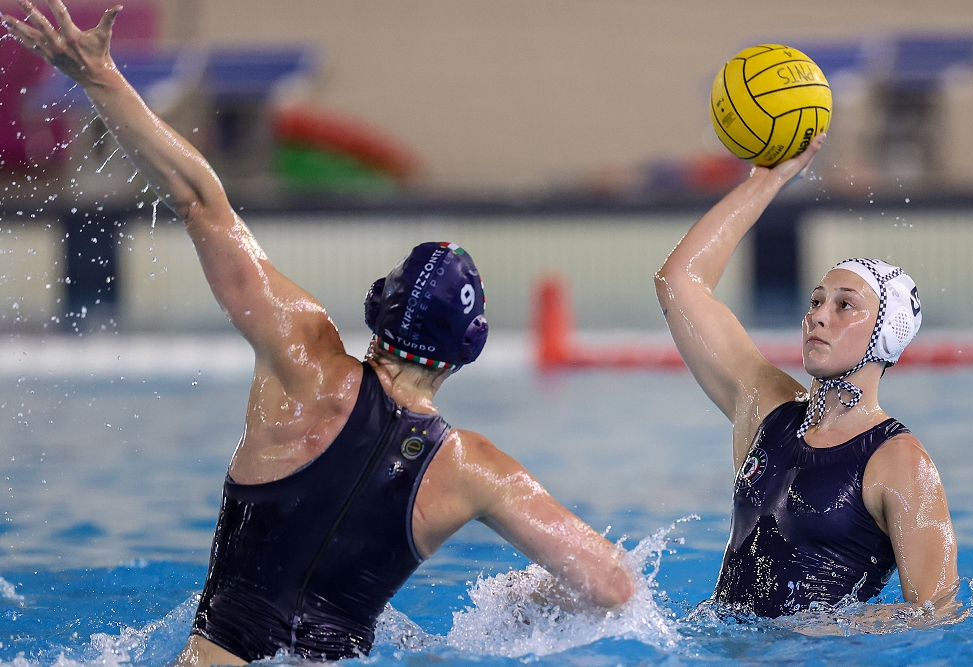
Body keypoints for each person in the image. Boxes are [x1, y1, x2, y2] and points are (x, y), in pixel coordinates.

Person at [2, 2, 635, 663]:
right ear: (466, 351)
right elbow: (612, 586)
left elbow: (199, 201)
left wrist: (100, 74)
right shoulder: (475, 469)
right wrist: (520, 599)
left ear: (378, 310)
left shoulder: (302, 353)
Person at [654, 134, 959, 621]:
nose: (819, 316)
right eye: (816, 301)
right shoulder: (766, 409)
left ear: (888, 332)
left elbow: (938, 611)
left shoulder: (900, 463)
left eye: (845, 306)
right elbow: (679, 282)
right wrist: (767, 178)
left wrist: (830, 631)